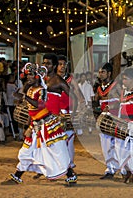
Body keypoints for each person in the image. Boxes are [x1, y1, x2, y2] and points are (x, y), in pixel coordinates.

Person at [2, 63, 71, 185]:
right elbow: (29, 109)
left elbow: (40, 105)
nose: (29, 78)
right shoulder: (29, 89)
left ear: (38, 76)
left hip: (48, 125)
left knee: (56, 151)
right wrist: (28, 126)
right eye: (28, 76)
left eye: (32, 75)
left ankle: (70, 174)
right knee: (25, 151)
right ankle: (17, 176)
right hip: (35, 126)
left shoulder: (42, 90)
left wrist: (24, 97)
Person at [40, 53, 78, 183]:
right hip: (41, 118)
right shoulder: (41, 79)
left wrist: (72, 113)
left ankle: (70, 174)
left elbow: (74, 97)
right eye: (44, 63)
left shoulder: (58, 81)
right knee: (44, 147)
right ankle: (52, 172)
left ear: (54, 66)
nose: (45, 65)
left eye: (48, 63)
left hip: (54, 119)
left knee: (59, 148)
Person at [57, 55, 86, 168]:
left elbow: (78, 92)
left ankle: (69, 164)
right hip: (55, 113)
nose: (62, 66)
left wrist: (82, 104)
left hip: (69, 112)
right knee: (56, 140)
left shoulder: (71, 79)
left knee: (69, 140)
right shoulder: (52, 78)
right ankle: (59, 165)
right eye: (60, 64)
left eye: (64, 64)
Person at [95, 62, 122, 180]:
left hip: (115, 118)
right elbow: (96, 101)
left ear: (109, 73)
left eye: (103, 72)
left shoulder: (116, 86)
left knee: (118, 145)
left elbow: (122, 100)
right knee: (105, 145)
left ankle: (123, 168)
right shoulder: (99, 88)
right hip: (103, 119)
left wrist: (111, 106)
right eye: (100, 72)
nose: (100, 74)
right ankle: (110, 169)